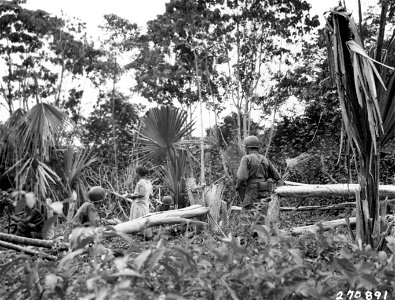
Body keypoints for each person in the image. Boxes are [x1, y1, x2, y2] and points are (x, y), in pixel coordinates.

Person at [236, 135, 284, 210]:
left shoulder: (246, 158)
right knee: (261, 217)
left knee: (246, 217)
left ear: (247, 147)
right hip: (264, 191)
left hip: (252, 192)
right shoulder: (265, 159)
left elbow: (241, 177)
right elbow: (277, 177)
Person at [127, 166, 153, 239]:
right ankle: (146, 236)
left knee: (137, 220)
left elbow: (142, 194)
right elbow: (151, 195)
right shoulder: (148, 183)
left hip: (139, 205)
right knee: (145, 219)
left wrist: (131, 195)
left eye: (136, 173)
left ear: (138, 173)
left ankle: (138, 236)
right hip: (145, 204)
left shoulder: (141, 182)